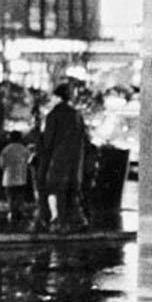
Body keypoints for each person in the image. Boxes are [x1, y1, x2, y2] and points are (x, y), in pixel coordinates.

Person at [34, 82, 90, 233]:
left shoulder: (54, 114)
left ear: (57, 97)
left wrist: (38, 133)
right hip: (76, 160)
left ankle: (59, 222)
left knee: (55, 190)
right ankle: (77, 220)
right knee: (72, 191)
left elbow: (48, 141)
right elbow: (85, 138)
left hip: (58, 160)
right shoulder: (76, 115)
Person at [0, 131, 34, 229]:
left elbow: (1, 164)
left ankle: (11, 212)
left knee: (10, 196)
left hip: (8, 177)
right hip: (21, 177)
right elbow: (29, 161)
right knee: (20, 196)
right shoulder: (24, 149)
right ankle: (19, 212)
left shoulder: (6, 149)